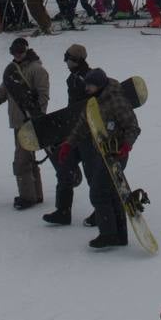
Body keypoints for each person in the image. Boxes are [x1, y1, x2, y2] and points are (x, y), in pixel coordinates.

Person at [71, 67, 140, 250]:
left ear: (99, 85)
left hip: (117, 154)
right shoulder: (94, 101)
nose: (87, 89)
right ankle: (119, 235)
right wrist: (68, 144)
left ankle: (108, 234)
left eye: (90, 86)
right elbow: (83, 124)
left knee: (99, 192)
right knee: (111, 193)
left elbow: (133, 127)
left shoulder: (116, 100)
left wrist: (126, 146)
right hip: (103, 152)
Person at [0, 36, 50, 210]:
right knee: (28, 158)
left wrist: (37, 115)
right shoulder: (13, 70)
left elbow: (43, 95)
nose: (18, 55)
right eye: (14, 52)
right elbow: (4, 89)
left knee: (21, 160)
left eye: (21, 52)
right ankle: (36, 194)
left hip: (30, 122)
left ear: (26, 51)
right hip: (17, 122)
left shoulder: (37, 70)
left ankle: (27, 196)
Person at [45, 43, 92, 224]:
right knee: (64, 167)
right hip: (74, 133)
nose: (65, 62)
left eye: (68, 58)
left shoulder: (89, 78)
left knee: (93, 174)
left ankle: (101, 211)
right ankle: (63, 211)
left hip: (88, 135)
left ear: (76, 60)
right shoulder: (72, 79)